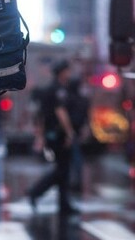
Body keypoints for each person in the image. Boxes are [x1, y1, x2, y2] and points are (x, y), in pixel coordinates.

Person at [26, 59, 78, 215]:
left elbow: (41, 115)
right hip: (58, 134)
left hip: (53, 133)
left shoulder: (55, 89)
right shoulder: (57, 90)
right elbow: (60, 112)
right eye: (68, 70)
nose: (70, 73)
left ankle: (64, 204)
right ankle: (35, 191)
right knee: (62, 170)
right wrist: (69, 132)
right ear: (62, 72)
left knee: (64, 169)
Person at [66, 77, 91, 193]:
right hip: (78, 130)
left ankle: (74, 182)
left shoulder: (68, 99)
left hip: (69, 131)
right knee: (77, 157)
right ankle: (77, 181)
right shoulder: (83, 99)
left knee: (72, 158)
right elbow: (86, 117)